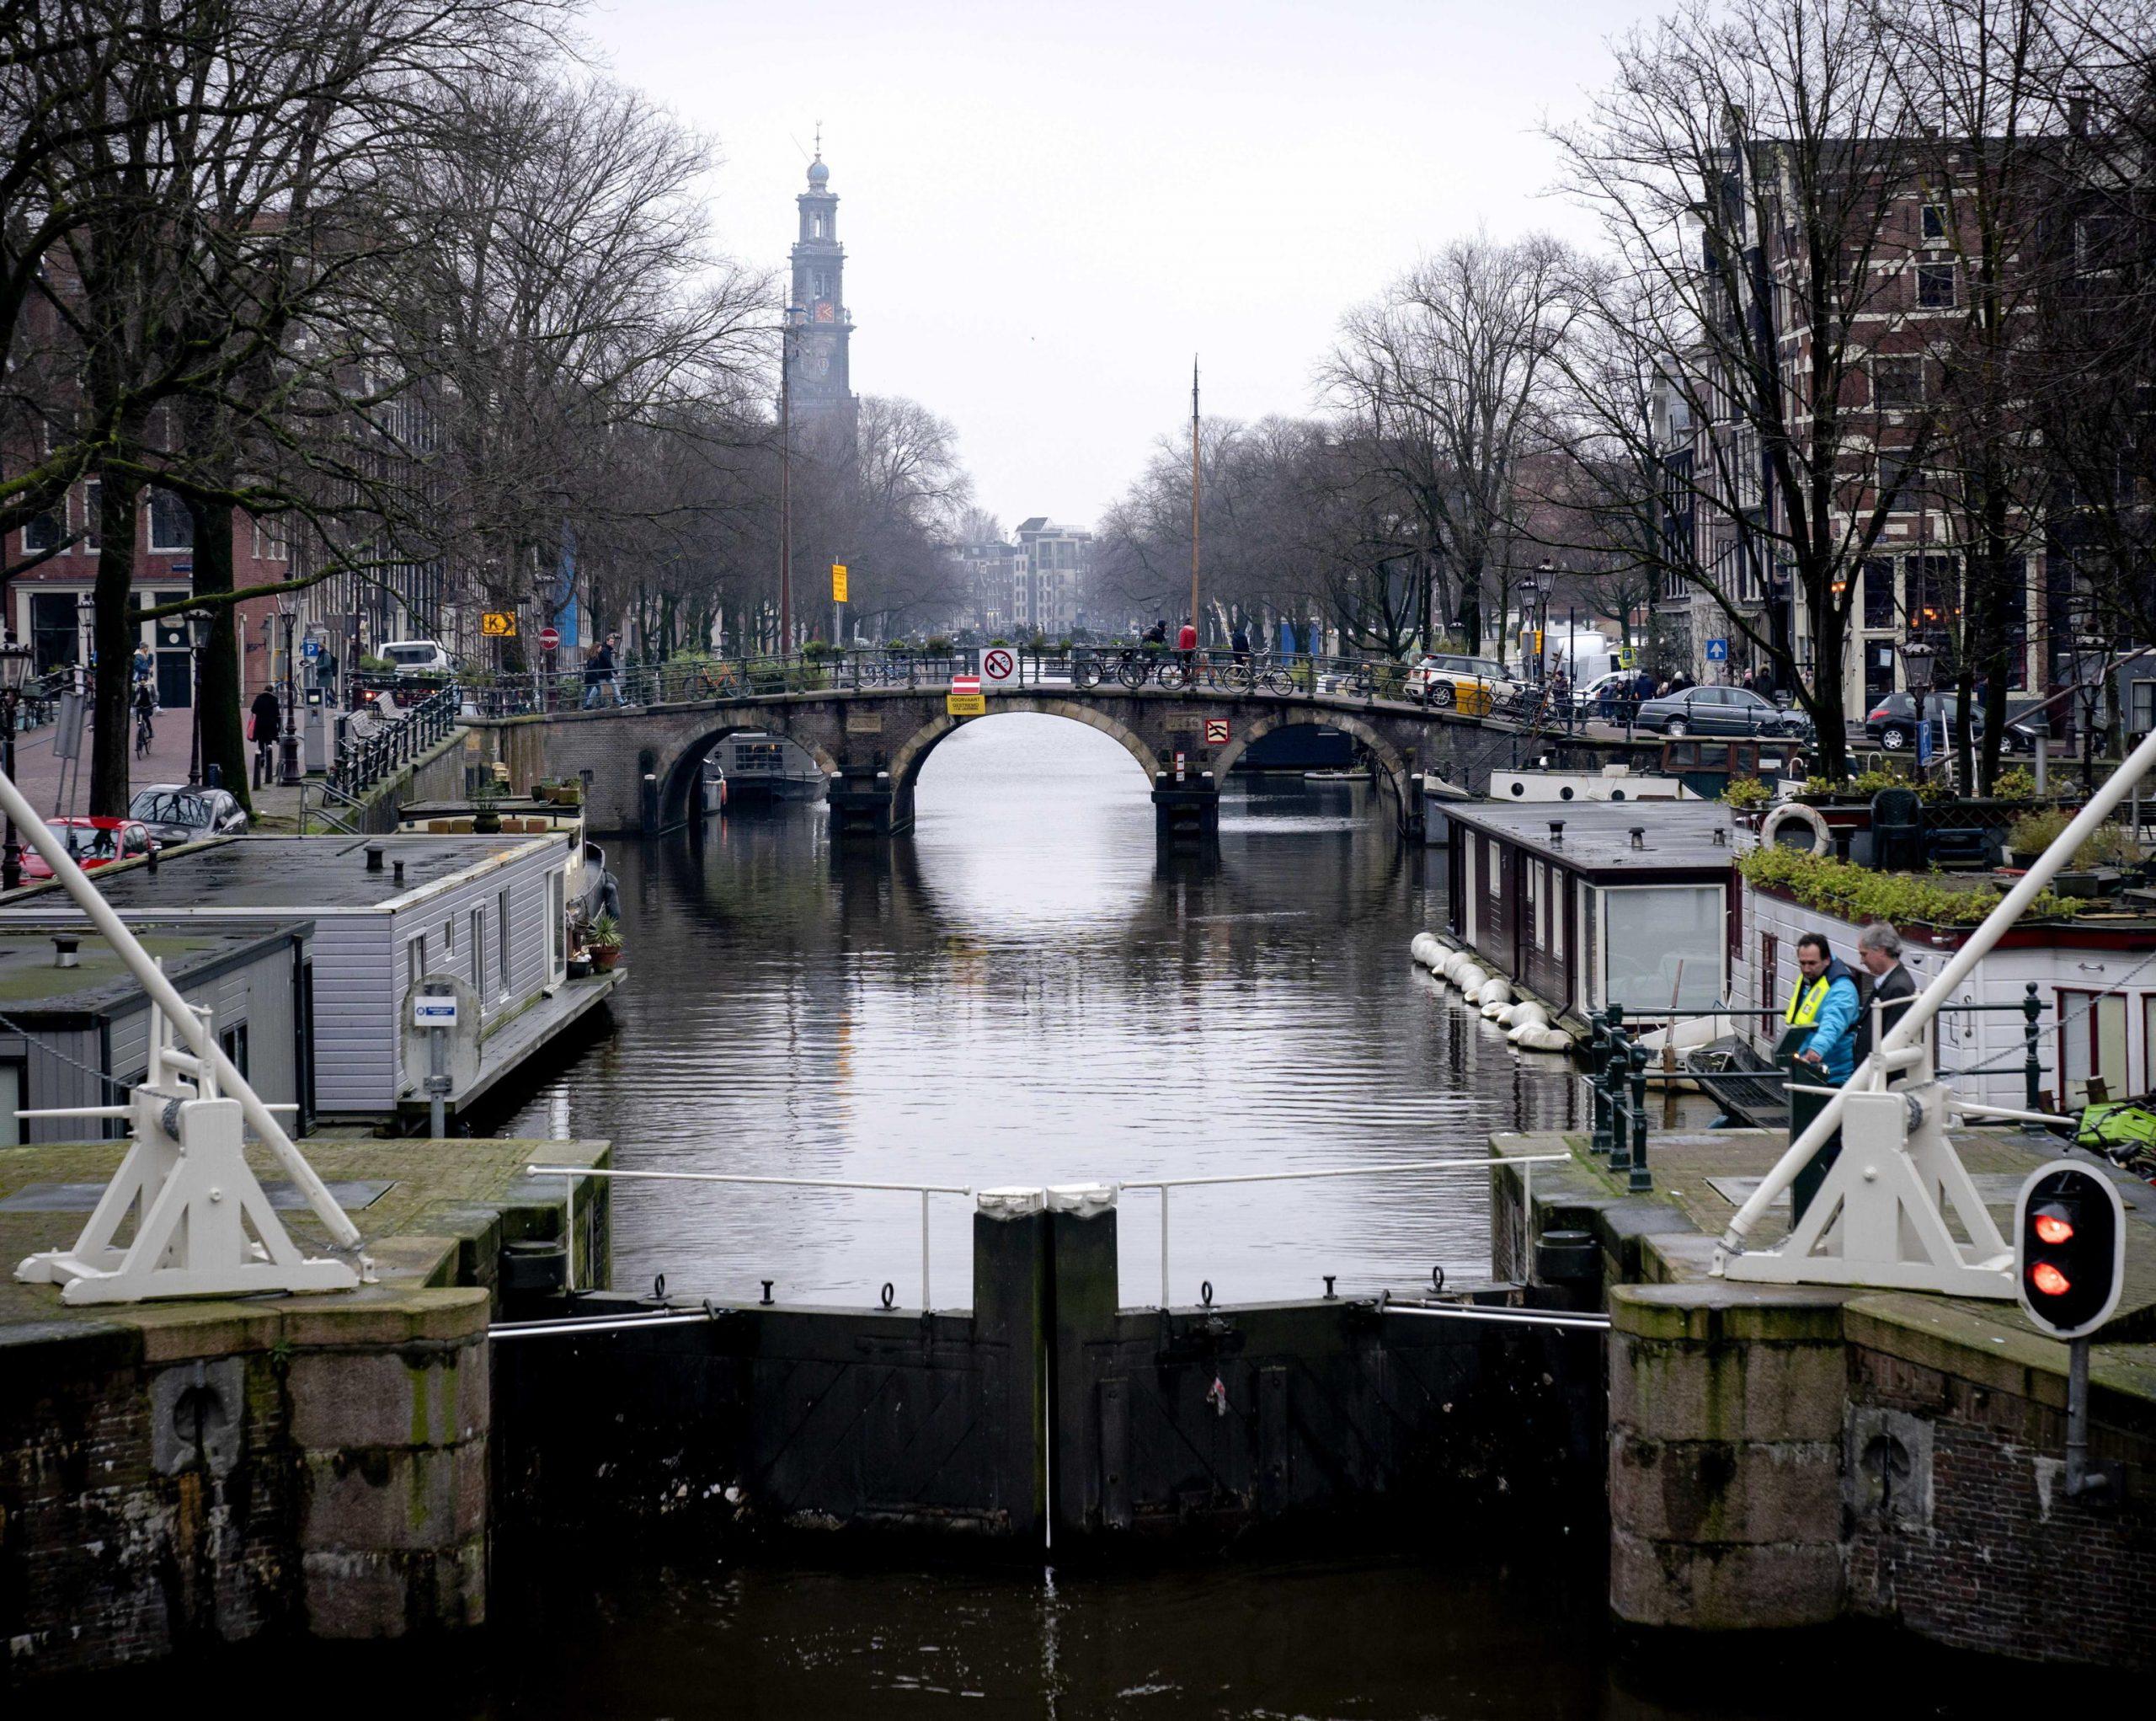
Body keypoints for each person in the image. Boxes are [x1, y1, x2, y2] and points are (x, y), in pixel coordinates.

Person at [1781, 931, 1863, 1223]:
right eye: (1802, 963)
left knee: (1832, 1148)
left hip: (1831, 1078)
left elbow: (1833, 1022)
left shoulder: (1841, 988)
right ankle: (1822, 1210)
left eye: (1812, 963)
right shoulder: (1811, 981)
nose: (1805, 969)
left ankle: (1840, 1210)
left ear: (1827, 959)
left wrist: (1815, 1051)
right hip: (1808, 1075)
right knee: (1815, 1146)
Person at [1854, 922, 1918, 1072]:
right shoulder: (1891, 983)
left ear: (1881, 951)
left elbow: (1894, 1042)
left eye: (1864, 954)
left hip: (1880, 1078)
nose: (1861, 961)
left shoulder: (1898, 988)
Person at [248, 686, 282, 785]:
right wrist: (280, 726)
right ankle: (268, 759)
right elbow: (277, 714)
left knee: (261, 742)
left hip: (260, 724)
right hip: (271, 725)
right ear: (272, 691)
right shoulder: (274, 700)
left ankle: (262, 757)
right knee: (269, 742)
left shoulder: (259, 698)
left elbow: (253, 710)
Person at [582, 633, 619, 709]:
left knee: (591, 689)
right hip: (592, 676)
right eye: (600, 648)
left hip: (591, 675)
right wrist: (596, 671)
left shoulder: (595, 655)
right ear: (597, 648)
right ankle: (592, 704)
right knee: (596, 689)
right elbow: (592, 666)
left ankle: (587, 705)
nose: (601, 649)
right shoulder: (595, 656)